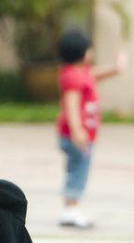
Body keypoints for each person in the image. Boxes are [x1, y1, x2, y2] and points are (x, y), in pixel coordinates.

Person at [55, 28, 127, 229]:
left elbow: (95, 75)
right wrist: (77, 130)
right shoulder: (73, 77)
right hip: (76, 135)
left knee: (77, 169)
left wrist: (116, 68)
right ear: (84, 53)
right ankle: (70, 210)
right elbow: (71, 104)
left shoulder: (78, 73)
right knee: (79, 170)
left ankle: (71, 208)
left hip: (81, 135)